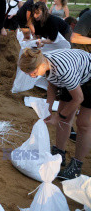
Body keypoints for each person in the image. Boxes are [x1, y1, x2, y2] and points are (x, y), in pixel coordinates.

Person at [19, 48, 91, 179]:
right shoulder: (44, 61)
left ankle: (76, 165)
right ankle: (59, 154)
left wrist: (59, 116)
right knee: (64, 118)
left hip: (89, 76)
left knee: (83, 123)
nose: (32, 76)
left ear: (41, 65)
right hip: (75, 76)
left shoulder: (63, 69)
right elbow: (52, 85)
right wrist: (48, 108)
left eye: (33, 73)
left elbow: (78, 98)